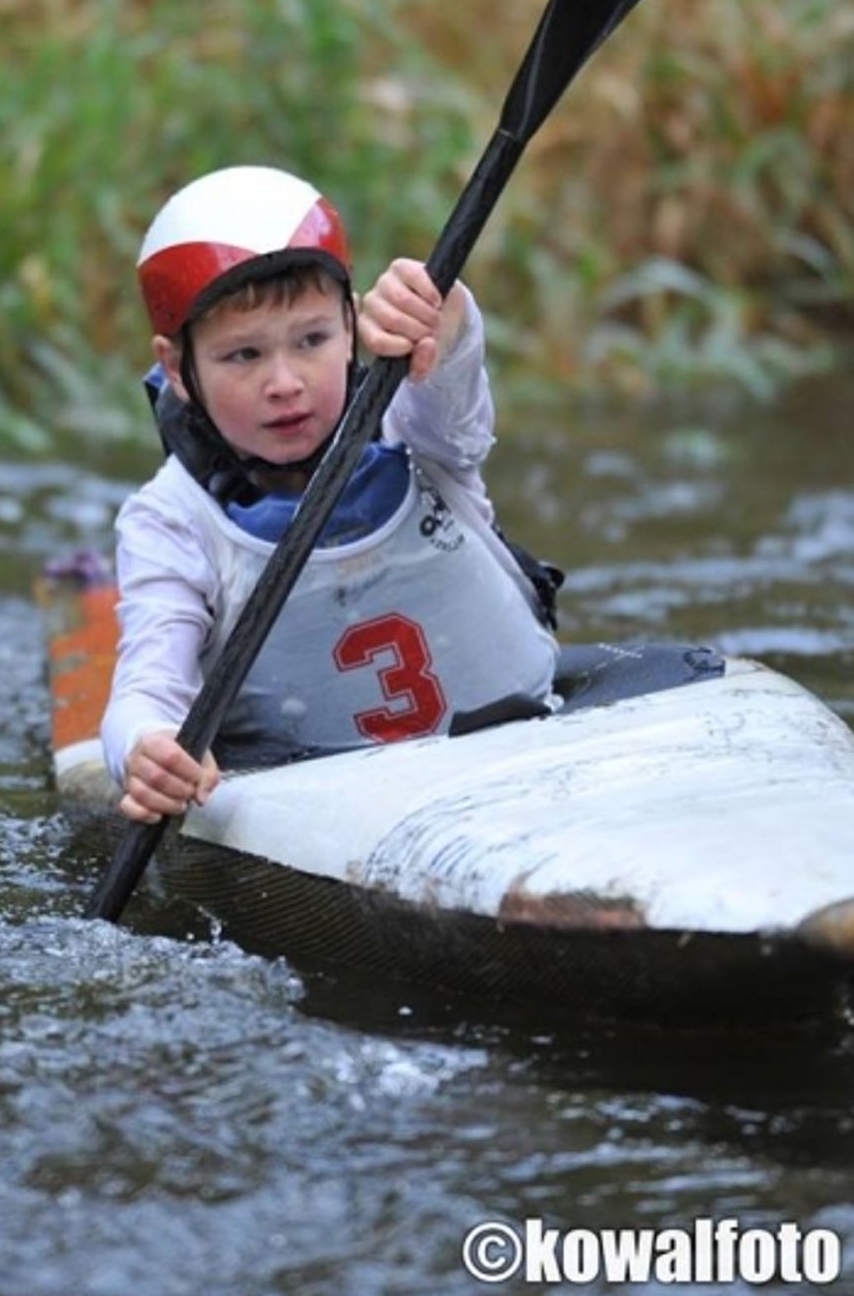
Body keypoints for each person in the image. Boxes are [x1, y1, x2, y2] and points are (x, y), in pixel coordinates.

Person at [101, 165, 559, 823]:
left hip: (535, 740)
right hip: (328, 810)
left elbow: (451, 367)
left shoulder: (415, 425)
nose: (285, 382)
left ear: (352, 325)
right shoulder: (171, 520)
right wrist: (147, 749)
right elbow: (147, 693)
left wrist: (441, 313)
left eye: (313, 340)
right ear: (177, 368)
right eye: (243, 356)